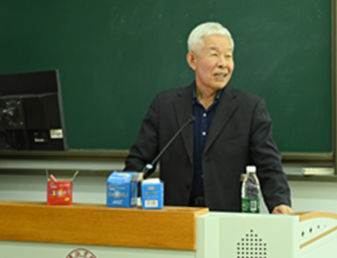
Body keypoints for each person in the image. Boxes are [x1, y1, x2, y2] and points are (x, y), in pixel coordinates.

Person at [124, 22, 293, 214]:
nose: (223, 63)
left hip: (226, 217)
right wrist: (124, 197)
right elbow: (139, 160)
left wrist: (280, 202)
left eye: (228, 56)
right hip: (175, 215)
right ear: (192, 60)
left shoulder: (250, 108)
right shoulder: (165, 105)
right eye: (214, 54)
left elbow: (268, 164)